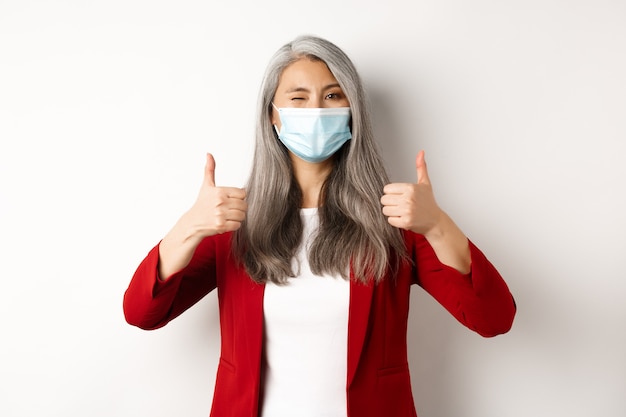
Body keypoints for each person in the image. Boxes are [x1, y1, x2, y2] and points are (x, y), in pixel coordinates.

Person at [123, 35, 516, 417]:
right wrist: (189, 228)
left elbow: (494, 318)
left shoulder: (396, 222)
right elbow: (143, 313)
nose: (316, 110)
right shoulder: (234, 224)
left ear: (353, 109)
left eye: (332, 95)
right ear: (273, 116)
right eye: (298, 98)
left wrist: (437, 225)